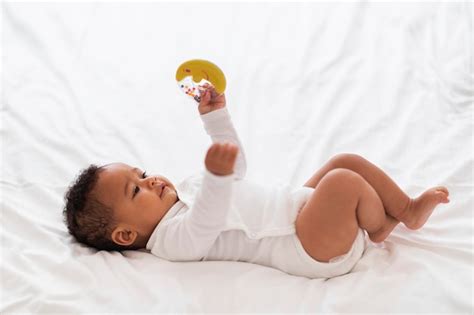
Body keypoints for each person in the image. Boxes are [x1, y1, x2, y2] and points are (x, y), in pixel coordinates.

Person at [63, 84, 450, 278]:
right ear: (127, 235)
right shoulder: (171, 242)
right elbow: (208, 221)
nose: (151, 182)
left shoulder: (188, 190)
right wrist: (215, 178)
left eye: (142, 174)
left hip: (297, 211)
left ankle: (407, 210)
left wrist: (216, 120)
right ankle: (379, 226)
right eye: (136, 190)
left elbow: (237, 172)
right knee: (343, 183)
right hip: (305, 248)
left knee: (342, 161)